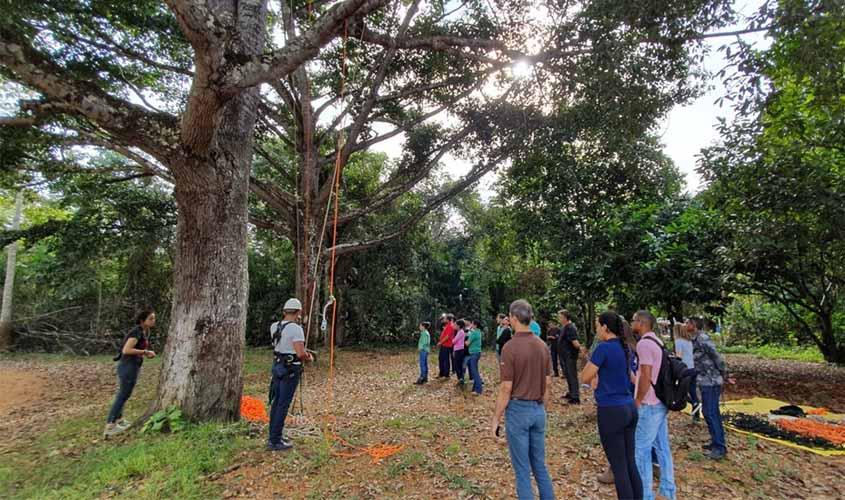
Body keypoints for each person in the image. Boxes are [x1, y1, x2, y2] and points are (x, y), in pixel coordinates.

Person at [490, 299, 555, 500]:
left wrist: (495, 419)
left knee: (522, 470)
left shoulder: (510, 347)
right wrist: (541, 406)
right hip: (538, 410)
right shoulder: (542, 345)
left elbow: (506, 388)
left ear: (515, 318)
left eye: (509, 316)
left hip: (518, 410)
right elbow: (548, 382)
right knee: (539, 466)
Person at [581, 312, 642, 500]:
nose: (597, 330)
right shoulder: (626, 348)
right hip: (629, 407)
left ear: (605, 327)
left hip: (611, 410)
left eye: (598, 326)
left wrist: (594, 374)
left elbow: (584, 376)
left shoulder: (603, 349)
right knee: (630, 462)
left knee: (618, 466)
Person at [632, 310, 676, 500]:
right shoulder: (658, 341)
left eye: (634, 320)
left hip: (649, 404)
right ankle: (668, 490)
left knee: (641, 451)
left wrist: (638, 400)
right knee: (662, 447)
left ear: (641, 323)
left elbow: (646, 376)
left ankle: (645, 495)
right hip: (661, 402)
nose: (631, 323)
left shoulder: (643, 344)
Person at [267, 298, 313, 452]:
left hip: (278, 367)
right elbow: (300, 353)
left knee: (276, 401)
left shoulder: (274, 326)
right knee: (283, 404)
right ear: (298, 313)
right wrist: (309, 357)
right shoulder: (296, 329)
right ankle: (275, 440)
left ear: (285, 311)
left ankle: (274, 436)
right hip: (290, 370)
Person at [104, 308, 157, 437]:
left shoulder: (145, 332)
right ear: (142, 320)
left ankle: (119, 420)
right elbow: (126, 350)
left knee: (125, 394)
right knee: (122, 395)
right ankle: (110, 426)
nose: (153, 321)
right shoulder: (136, 332)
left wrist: (144, 352)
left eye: (154, 318)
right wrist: (145, 352)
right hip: (127, 366)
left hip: (133, 366)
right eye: (150, 318)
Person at [692, 317, 732, 460]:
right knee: (710, 412)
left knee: (710, 412)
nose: (685, 326)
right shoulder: (696, 339)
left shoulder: (702, 338)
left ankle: (719, 447)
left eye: (687, 324)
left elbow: (717, 357)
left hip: (711, 381)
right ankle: (716, 442)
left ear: (694, 325)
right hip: (705, 381)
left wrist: (724, 373)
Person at [557, 310, 582, 404]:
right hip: (565, 355)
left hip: (570, 355)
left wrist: (581, 350)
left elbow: (575, 342)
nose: (559, 319)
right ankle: (571, 393)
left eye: (560, 317)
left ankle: (575, 397)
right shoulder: (565, 327)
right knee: (568, 374)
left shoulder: (571, 327)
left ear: (565, 317)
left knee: (572, 375)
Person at [677, 321, 700, 421]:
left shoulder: (678, 341)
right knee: (692, 390)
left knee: (680, 391)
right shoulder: (689, 341)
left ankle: (693, 403)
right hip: (693, 369)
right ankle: (696, 413)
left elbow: (679, 357)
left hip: (685, 370)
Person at [467, 319, 484, 395]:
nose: (471, 325)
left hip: (474, 353)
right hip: (477, 353)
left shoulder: (474, 333)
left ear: (475, 325)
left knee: (474, 372)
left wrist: (464, 340)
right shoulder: (478, 331)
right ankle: (475, 388)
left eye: (472, 324)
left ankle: (478, 390)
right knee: (475, 370)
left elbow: (467, 343)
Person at [452, 319, 467, 386]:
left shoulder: (460, 332)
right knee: (458, 365)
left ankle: (460, 378)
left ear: (459, 326)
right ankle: (460, 379)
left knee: (457, 365)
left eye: (455, 325)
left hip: (459, 350)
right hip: (458, 349)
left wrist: (453, 340)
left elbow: (454, 341)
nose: (454, 326)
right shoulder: (459, 331)